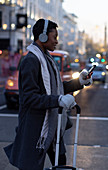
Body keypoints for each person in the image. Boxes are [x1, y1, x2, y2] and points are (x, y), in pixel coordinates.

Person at [4, 19, 92, 170]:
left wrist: (80, 82)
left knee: (61, 163)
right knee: (31, 166)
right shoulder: (31, 61)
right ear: (43, 36)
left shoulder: (47, 59)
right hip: (36, 128)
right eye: (55, 37)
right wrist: (58, 100)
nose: (57, 41)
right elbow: (29, 98)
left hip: (52, 125)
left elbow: (57, 88)